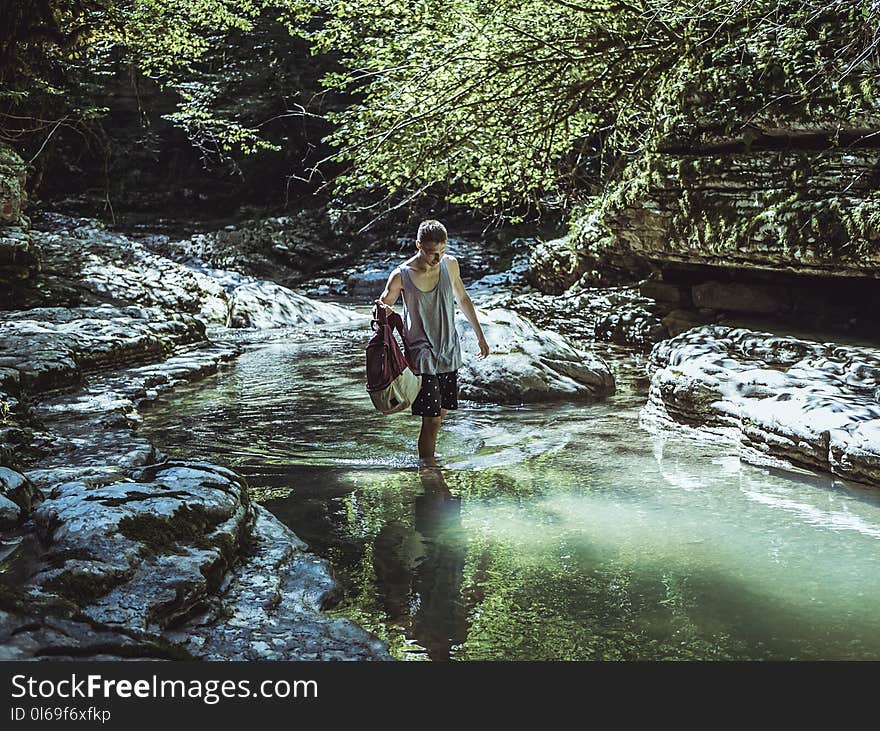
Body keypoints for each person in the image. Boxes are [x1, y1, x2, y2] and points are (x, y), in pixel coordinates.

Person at [376, 219, 489, 466]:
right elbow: (382, 309)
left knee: (441, 414)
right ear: (418, 245)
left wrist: (480, 334)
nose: (437, 258)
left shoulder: (450, 265)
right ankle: (428, 471)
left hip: (448, 351)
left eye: (441, 252)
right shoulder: (401, 275)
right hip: (421, 355)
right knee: (432, 419)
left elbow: (463, 298)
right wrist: (381, 320)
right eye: (430, 253)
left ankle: (428, 462)